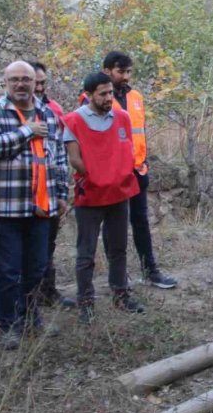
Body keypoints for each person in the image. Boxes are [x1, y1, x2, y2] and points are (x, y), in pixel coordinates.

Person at [0, 61, 68, 349]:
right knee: (8, 270)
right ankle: (9, 324)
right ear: (5, 81)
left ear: (35, 82)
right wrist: (26, 131)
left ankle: (30, 318)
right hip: (3, 208)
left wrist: (62, 192)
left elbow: (59, 156)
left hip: (40, 208)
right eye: (14, 79)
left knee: (36, 268)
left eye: (26, 79)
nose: (21, 84)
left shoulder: (48, 114)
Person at [62, 73, 144, 324]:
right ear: (88, 95)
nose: (109, 98)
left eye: (110, 92)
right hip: (91, 195)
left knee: (118, 248)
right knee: (86, 252)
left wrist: (119, 175)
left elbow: (127, 149)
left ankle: (121, 294)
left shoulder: (122, 118)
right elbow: (75, 159)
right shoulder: (73, 121)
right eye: (103, 94)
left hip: (119, 194)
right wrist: (97, 176)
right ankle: (85, 301)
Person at [101, 51, 177, 289]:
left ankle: (150, 271)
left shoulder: (135, 97)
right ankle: (119, 277)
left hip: (137, 171)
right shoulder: (98, 98)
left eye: (128, 71)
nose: (125, 76)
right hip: (113, 175)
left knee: (141, 222)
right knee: (115, 227)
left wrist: (144, 162)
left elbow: (139, 132)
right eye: (120, 71)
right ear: (107, 71)